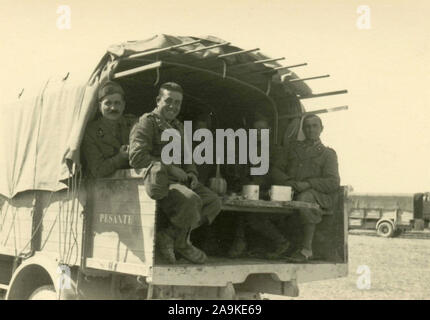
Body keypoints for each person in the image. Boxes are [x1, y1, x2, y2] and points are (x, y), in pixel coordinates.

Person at [129, 82, 221, 264]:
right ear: (158, 100)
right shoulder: (147, 123)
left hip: (180, 181)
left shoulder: (177, 126)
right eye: (168, 101)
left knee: (214, 202)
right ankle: (182, 243)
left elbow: (188, 156)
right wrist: (170, 168)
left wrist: (192, 173)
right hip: (160, 181)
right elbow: (136, 157)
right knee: (191, 201)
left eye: (177, 103)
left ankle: (172, 237)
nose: (173, 106)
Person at [272, 114, 340, 262]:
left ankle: (306, 250)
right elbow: (276, 170)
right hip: (291, 190)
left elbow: (333, 182)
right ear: (303, 129)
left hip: (318, 195)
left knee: (305, 198)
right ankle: (279, 244)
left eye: (314, 126)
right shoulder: (292, 148)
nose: (310, 130)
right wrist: (289, 181)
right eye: (307, 126)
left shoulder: (328, 154)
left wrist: (309, 184)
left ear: (321, 129)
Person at [228, 114, 290, 259]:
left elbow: (276, 174)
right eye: (255, 129)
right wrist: (241, 185)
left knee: (252, 215)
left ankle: (279, 242)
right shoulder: (246, 149)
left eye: (262, 129)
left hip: (270, 193)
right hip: (250, 191)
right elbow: (240, 171)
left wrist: (256, 186)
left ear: (268, 130)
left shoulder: (276, 150)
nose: (258, 132)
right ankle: (241, 242)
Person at [82, 81, 136, 178]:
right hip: (101, 188)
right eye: (108, 103)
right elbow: (97, 170)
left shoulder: (133, 125)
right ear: (99, 106)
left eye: (117, 103)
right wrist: (120, 158)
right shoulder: (91, 132)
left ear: (123, 105)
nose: (113, 108)